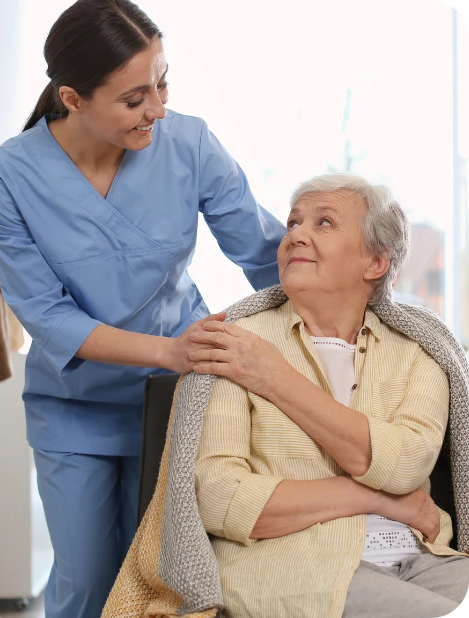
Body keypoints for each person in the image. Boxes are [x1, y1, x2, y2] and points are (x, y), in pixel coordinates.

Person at [0, 1, 286, 616]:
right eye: (134, 98)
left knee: (162, 582)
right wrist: (170, 351)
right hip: (75, 408)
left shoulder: (189, 143)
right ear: (73, 98)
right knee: (89, 583)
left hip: (177, 403)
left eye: (163, 83)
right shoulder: (9, 175)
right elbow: (45, 313)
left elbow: (262, 252)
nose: (158, 109)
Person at [191, 174, 469, 618]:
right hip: (299, 566)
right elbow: (219, 498)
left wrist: (275, 377)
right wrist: (377, 499)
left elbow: (405, 465)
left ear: (375, 262)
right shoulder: (239, 344)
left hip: (422, 557)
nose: (296, 234)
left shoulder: (420, 350)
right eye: (293, 223)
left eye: (323, 222)